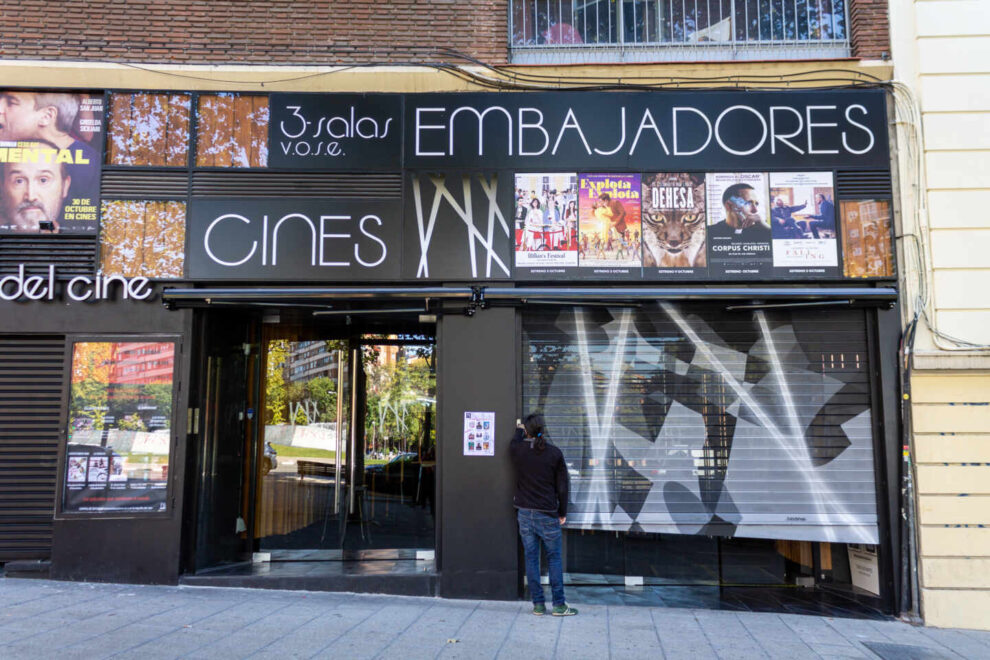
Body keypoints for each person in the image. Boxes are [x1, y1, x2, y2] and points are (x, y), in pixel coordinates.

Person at [509, 413, 577, 617]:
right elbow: (563, 486)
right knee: (554, 558)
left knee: (531, 558)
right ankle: (559, 605)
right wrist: (562, 511)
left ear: (527, 431)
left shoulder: (518, 450)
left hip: (524, 513)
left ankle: (538, 605)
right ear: (543, 430)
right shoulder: (554, 454)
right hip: (547, 513)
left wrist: (519, 429)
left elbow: (514, 442)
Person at [0, 91, 98, 208]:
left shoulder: (92, 166)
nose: (1, 109)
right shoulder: (8, 154)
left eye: (11, 103)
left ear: (47, 116)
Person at [0, 140, 71, 233]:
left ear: (65, 186)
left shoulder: (79, 241)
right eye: (19, 181)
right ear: (2, 188)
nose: (31, 197)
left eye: (43, 180)